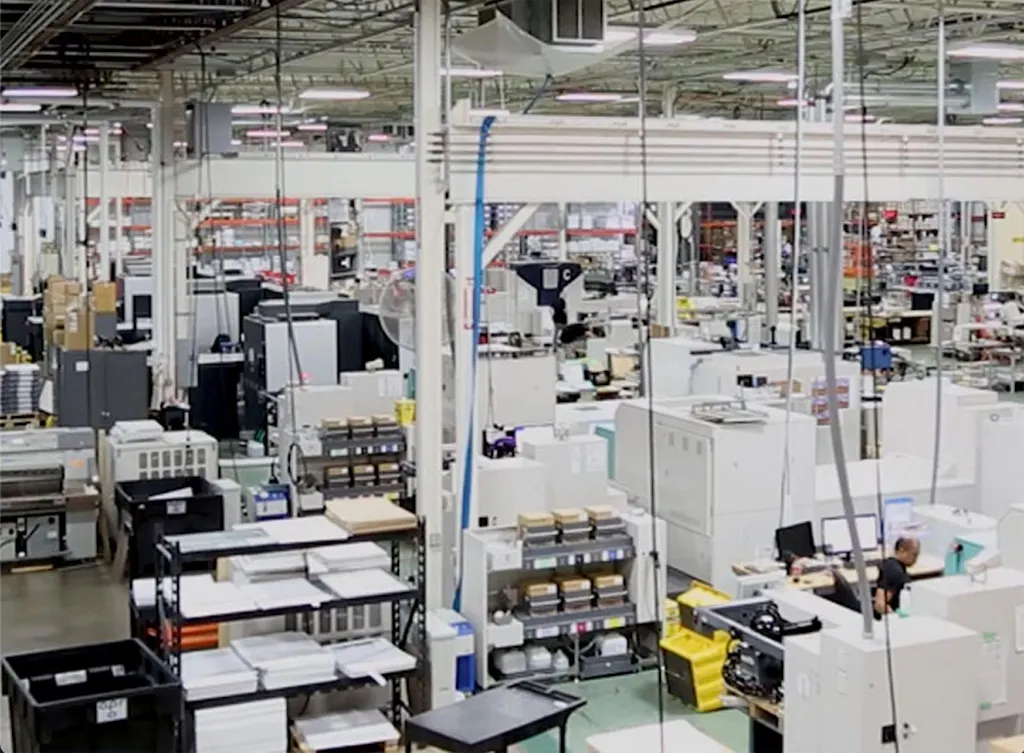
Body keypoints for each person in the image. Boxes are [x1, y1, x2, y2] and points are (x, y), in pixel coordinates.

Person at [872, 537, 920, 618]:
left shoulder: (889, 564)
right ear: (902, 550)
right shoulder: (895, 572)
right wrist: (896, 618)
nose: (915, 559)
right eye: (914, 555)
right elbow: (880, 604)